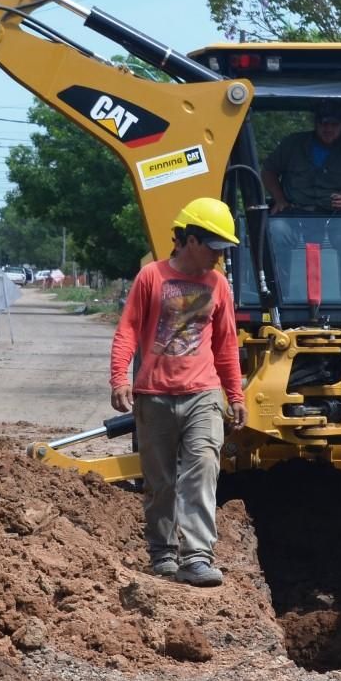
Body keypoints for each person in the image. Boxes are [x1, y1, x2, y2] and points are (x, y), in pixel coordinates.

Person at [109, 197, 248, 588]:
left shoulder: (219, 286)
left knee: (203, 467)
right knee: (160, 480)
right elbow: (129, 329)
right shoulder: (151, 277)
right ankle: (163, 552)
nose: (219, 258)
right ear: (189, 240)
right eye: (214, 247)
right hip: (154, 395)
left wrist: (235, 395)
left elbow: (226, 345)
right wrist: (119, 376)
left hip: (203, 394)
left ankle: (198, 557)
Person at [262, 102, 341, 215]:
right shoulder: (292, 143)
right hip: (293, 212)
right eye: (324, 123)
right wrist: (280, 200)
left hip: (335, 215)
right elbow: (268, 171)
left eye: (334, 124)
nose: (328, 129)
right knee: (277, 227)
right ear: (316, 123)